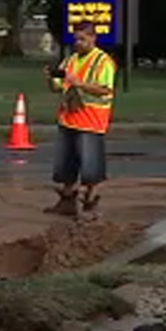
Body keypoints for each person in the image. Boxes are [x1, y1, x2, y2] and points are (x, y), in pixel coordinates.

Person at [44, 21, 118, 217]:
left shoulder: (103, 62)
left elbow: (105, 89)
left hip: (92, 121)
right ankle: (67, 200)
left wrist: (80, 84)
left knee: (90, 164)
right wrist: (50, 78)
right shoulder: (70, 60)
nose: (78, 43)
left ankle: (90, 201)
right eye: (76, 39)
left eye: (83, 39)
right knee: (65, 163)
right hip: (68, 118)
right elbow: (58, 87)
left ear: (93, 38)